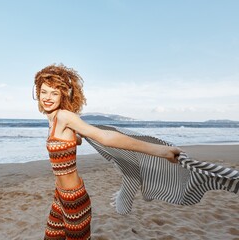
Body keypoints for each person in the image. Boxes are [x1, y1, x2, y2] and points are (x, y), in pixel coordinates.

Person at [33, 64, 181, 240]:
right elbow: (73, 140)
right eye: (44, 92)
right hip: (60, 196)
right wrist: (76, 138)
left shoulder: (65, 117)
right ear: (37, 92)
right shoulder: (52, 120)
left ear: (63, 95)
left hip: (74, 200)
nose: (47, 97)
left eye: (54, 93)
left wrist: (162, 151)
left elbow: (106, 137)